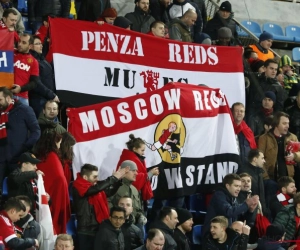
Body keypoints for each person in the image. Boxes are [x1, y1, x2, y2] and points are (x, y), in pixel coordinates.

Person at [73, 163, 127, 250]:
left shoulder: (94, 187)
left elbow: (109, 192)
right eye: (94, 177)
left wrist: (118, 181)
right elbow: (96, 189)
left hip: (98, 228)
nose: (97, 179)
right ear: (85, 178)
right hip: (86, 231)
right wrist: (113, 178)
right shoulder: (78, 186)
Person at [0, 87, 40, 186]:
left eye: (0, 100)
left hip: (17, 160)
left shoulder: (24, 109)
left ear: (8, 98)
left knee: (18, 191)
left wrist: (25, 148)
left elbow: (36, 131)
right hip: (1, 160)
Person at [34, 130, 70, 234]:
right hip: (55, 195)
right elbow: (60, 178)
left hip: (45, 192)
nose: (59, 145)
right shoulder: (52, 156)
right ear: (54, 143)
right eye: (59, 142)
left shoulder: (40, 155)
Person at [117, 134, 159, 204]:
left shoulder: (133, 157)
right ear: (134, 149)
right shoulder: (131, 159)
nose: (143, 153)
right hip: (129, 195)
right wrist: (151, 173)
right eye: (142, 150)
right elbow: (135, 178)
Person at [258, 112, 300, 180]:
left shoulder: (293, 137)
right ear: (276, 124)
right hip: (271, 178)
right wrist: (266, 178)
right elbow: (259, 159)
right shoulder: (264, 138)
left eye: (288, 123)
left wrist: (294, 156)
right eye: (284, 123)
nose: (287, 126)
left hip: (288, 179)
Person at [109, 160, 146, 228]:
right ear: (125, 171)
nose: (136, 173)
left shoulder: (135, 190)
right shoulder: (114, 187)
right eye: (133, 170)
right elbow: (107, 204)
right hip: (117, 226)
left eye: (136, 171)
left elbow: (138, 209)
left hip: (132, 226)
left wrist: (141, 216)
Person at [29, 35, 59, 118]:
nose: (41, 46)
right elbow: (36, 83)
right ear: (31, 46)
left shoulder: (42, 59)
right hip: (39, 100)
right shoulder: (32, 60)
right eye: (38, 44)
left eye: (41, 43)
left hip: (48, 99)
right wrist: (50, 94)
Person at [11, 33, 40, 105]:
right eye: (19, 41)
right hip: (6, 95)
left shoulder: (34, 62)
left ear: (30, 46)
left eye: (24, 43)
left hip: (22, 98)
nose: (20, 44)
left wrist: (21, 89)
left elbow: (34, 82)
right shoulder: (10, 52)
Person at [237, 149, 267, 214]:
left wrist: (264, 209)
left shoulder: (259, 172)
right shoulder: (243, 172)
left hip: (259, 209)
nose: (264, 161)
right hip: (248, 210)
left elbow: (261, 193)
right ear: (255, 159)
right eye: (262, 158)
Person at [231, 102, 257, 167]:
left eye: (241, 111)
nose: (239, 113)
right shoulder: (227, 128)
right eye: (236, 111)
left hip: (246, 166)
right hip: (231, 165)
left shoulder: (248, 130)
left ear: (244, 113)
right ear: (232, 113)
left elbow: (253, 148)